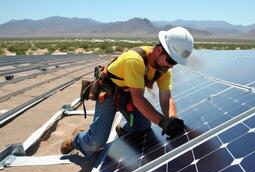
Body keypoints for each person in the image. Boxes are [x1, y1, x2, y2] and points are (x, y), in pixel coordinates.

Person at [61, 27, 194, 157]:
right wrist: (163, 122)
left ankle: (124, 131)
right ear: (159, 50)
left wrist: (173, 118)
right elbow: (138, 100)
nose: (171, 66)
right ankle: (77, 138)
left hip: (128, 91)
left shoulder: (163, 70)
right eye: (170, 60)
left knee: (143, 127)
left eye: (175, 63)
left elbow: (166, 98)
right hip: (108, 91)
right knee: (95, 144)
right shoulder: (135, 60)